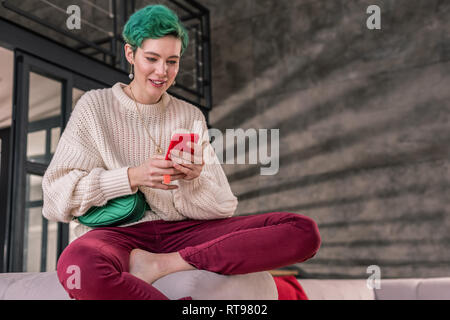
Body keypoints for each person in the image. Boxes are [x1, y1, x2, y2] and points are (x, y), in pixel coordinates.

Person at [42, 4, 321, 300]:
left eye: (172, 61)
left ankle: (164, 263)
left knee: (302, 231)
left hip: (185, 234)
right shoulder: (94, 106)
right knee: (80, 268)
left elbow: (224, 207)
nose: (162, 72)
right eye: (152, 58)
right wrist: (131, 177)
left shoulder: (190, 116)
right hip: (118, 234)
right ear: (130, 54)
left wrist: (194, 178)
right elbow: (54, 198)